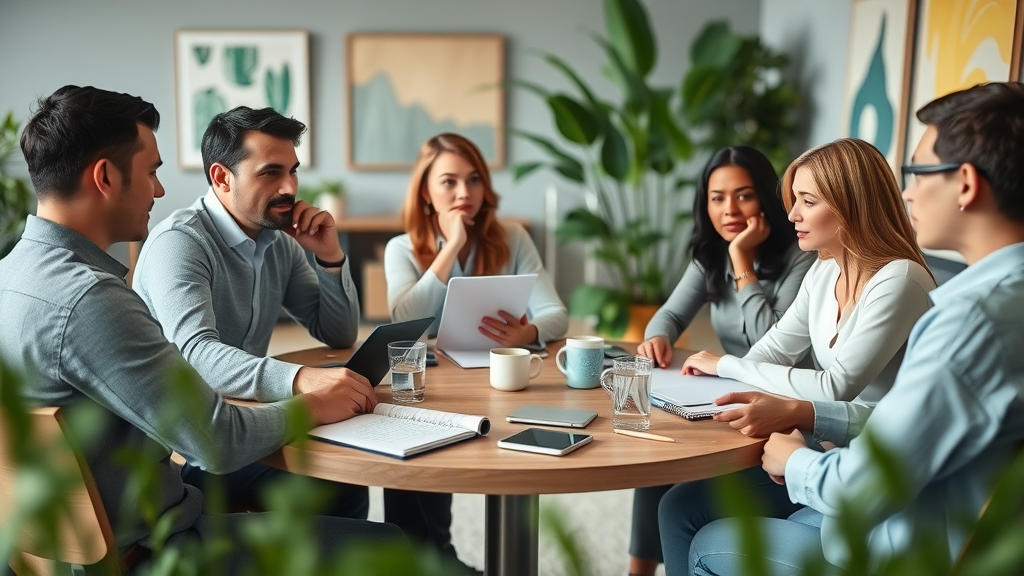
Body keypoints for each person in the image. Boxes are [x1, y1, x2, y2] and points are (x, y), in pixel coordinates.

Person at [0, 85, 402, 570]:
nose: (161, 190)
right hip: (154, 547)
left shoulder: (13, 273)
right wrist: (311, 400)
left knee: (333, 492)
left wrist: (332, 261)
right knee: (392, 544)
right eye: (152, 172)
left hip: (59, 548)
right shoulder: (90, 297)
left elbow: (334, 330)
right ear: (105, 176)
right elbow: (214, 441)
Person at [687, 81, 1024, 576]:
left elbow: (871, 482)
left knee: (710, 540)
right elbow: (898, 425)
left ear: (967, 184)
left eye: (917, 172)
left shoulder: (967, 321)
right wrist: (807, 417)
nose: (906, 190)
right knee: (685, 507)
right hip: (913, 521)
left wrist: (796, 460)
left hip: (897, 549)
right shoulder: (999, 301)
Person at [659, 138, 937, 576]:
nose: (791, 215)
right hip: (823, 448)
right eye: (794, 201)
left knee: (704, 533)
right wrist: (722, 391)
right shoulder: (826, 270)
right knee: (678, 506)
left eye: (807, 201)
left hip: (867, 479)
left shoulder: (899, 280)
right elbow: (774, 347)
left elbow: (836, 386)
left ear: (851, 206)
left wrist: (727, 365)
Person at [133, 106, 369, 520]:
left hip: (249, 420)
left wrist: (330, 259)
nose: (289, 187)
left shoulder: (278, 241)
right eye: (270, 173)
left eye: (293, 171)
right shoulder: (180, 243)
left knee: (345, 454)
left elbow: (338, 332)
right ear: (222, 178)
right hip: (190, 448)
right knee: (334, 478)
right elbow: (196, 356)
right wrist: (300, 378)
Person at [382, 132, 568, 572]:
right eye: (448, 182)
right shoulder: (402, 248)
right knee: (413, 457)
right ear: (426, 192)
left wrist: (525, 334)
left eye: (474, 180)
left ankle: (451, 559)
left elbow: (556, 315)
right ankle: (432, 559)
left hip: (500, 380)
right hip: (437, 384)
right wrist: (452, 249)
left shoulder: (513, 238)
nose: (464, 193)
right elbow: (403, 321)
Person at [628, 146, 816, 576]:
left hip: (777, 407)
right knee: (652, 459)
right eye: (717, 197)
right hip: (726, 389)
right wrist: (657, 336)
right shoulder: (709, 256)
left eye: (743, 195)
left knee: (679, 493)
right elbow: (671, 315)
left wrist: (741, 261)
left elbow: (769, 344)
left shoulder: (801, 257)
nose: (729, 209)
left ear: (767, 200)